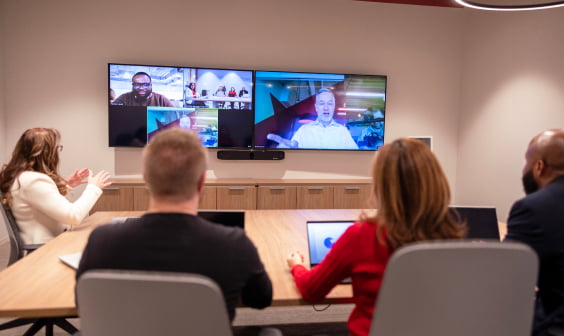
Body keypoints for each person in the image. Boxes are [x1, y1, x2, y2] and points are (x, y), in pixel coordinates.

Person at [76, 128, 274, 328]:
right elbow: (261, 299)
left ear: (146, 178)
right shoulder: (234, 243)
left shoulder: (102, 240)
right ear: (202, 182)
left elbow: (81, 301)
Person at [286, 137, 465, 336]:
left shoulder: (362, 235)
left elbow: (312, 290)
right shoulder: (452, 237)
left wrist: (297, 266)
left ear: (382, 185)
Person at [0, 128, 112, 245]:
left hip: (51, 242)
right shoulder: (33, 180)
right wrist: (93, 188)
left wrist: (67, 185)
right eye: (58, 148)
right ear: (46, 152)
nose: (59, 152)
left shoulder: (24, 177)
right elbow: (73, 216)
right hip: (48, 248)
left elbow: (43, 202)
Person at [504, 129, 564, 336]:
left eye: (525, 163)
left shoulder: (533, 208)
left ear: (539, 167)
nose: (523, 170)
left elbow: (506, 276)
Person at [267, 88, 358, 149]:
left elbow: (355, 154)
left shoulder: (343, 131)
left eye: (330, 103)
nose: (326, 108)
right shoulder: (304, 130)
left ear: (333, 106)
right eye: (322, 103)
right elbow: (292, 146)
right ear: (316, 107)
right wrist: (286, 148)